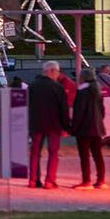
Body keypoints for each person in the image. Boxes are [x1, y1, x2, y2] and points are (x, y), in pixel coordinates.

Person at [26, 60, 70, 188]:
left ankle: (33, 180)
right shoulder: (58, 87)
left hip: (36, 124)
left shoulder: (32, 86)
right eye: (57, 72)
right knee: (53, 153)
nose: (58, 75)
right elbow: (64, 109)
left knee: (35, 152)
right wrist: (66, 126)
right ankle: (50, 181)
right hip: (54, 125)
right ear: (51, 71)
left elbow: (27, 105)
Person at [70, 68, 107, 188]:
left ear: (83, 78)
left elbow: (79, 111)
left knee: (84, 155)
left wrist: (74, 127)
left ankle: (86, 180)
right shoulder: (97, 90)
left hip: (84, 128)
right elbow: (102, 110)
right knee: (97, 154)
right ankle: (101, 180)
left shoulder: (82, 91)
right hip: (97, 126)